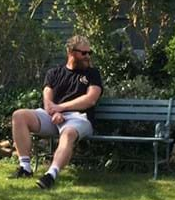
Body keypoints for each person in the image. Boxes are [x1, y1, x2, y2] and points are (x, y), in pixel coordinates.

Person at [9, 35, 104, 189]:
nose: (88, 57)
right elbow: (47, 99)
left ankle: (51, 175)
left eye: (89, 53)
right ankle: (25, 167)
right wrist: (54, 112)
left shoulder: (92, 74)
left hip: (79, 118)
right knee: (19, 115)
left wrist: (62, 108)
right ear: (71, 52)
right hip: (53, 116)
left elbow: (90, 99)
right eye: (84, 53)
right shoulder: (54, 73)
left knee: (68, 134)